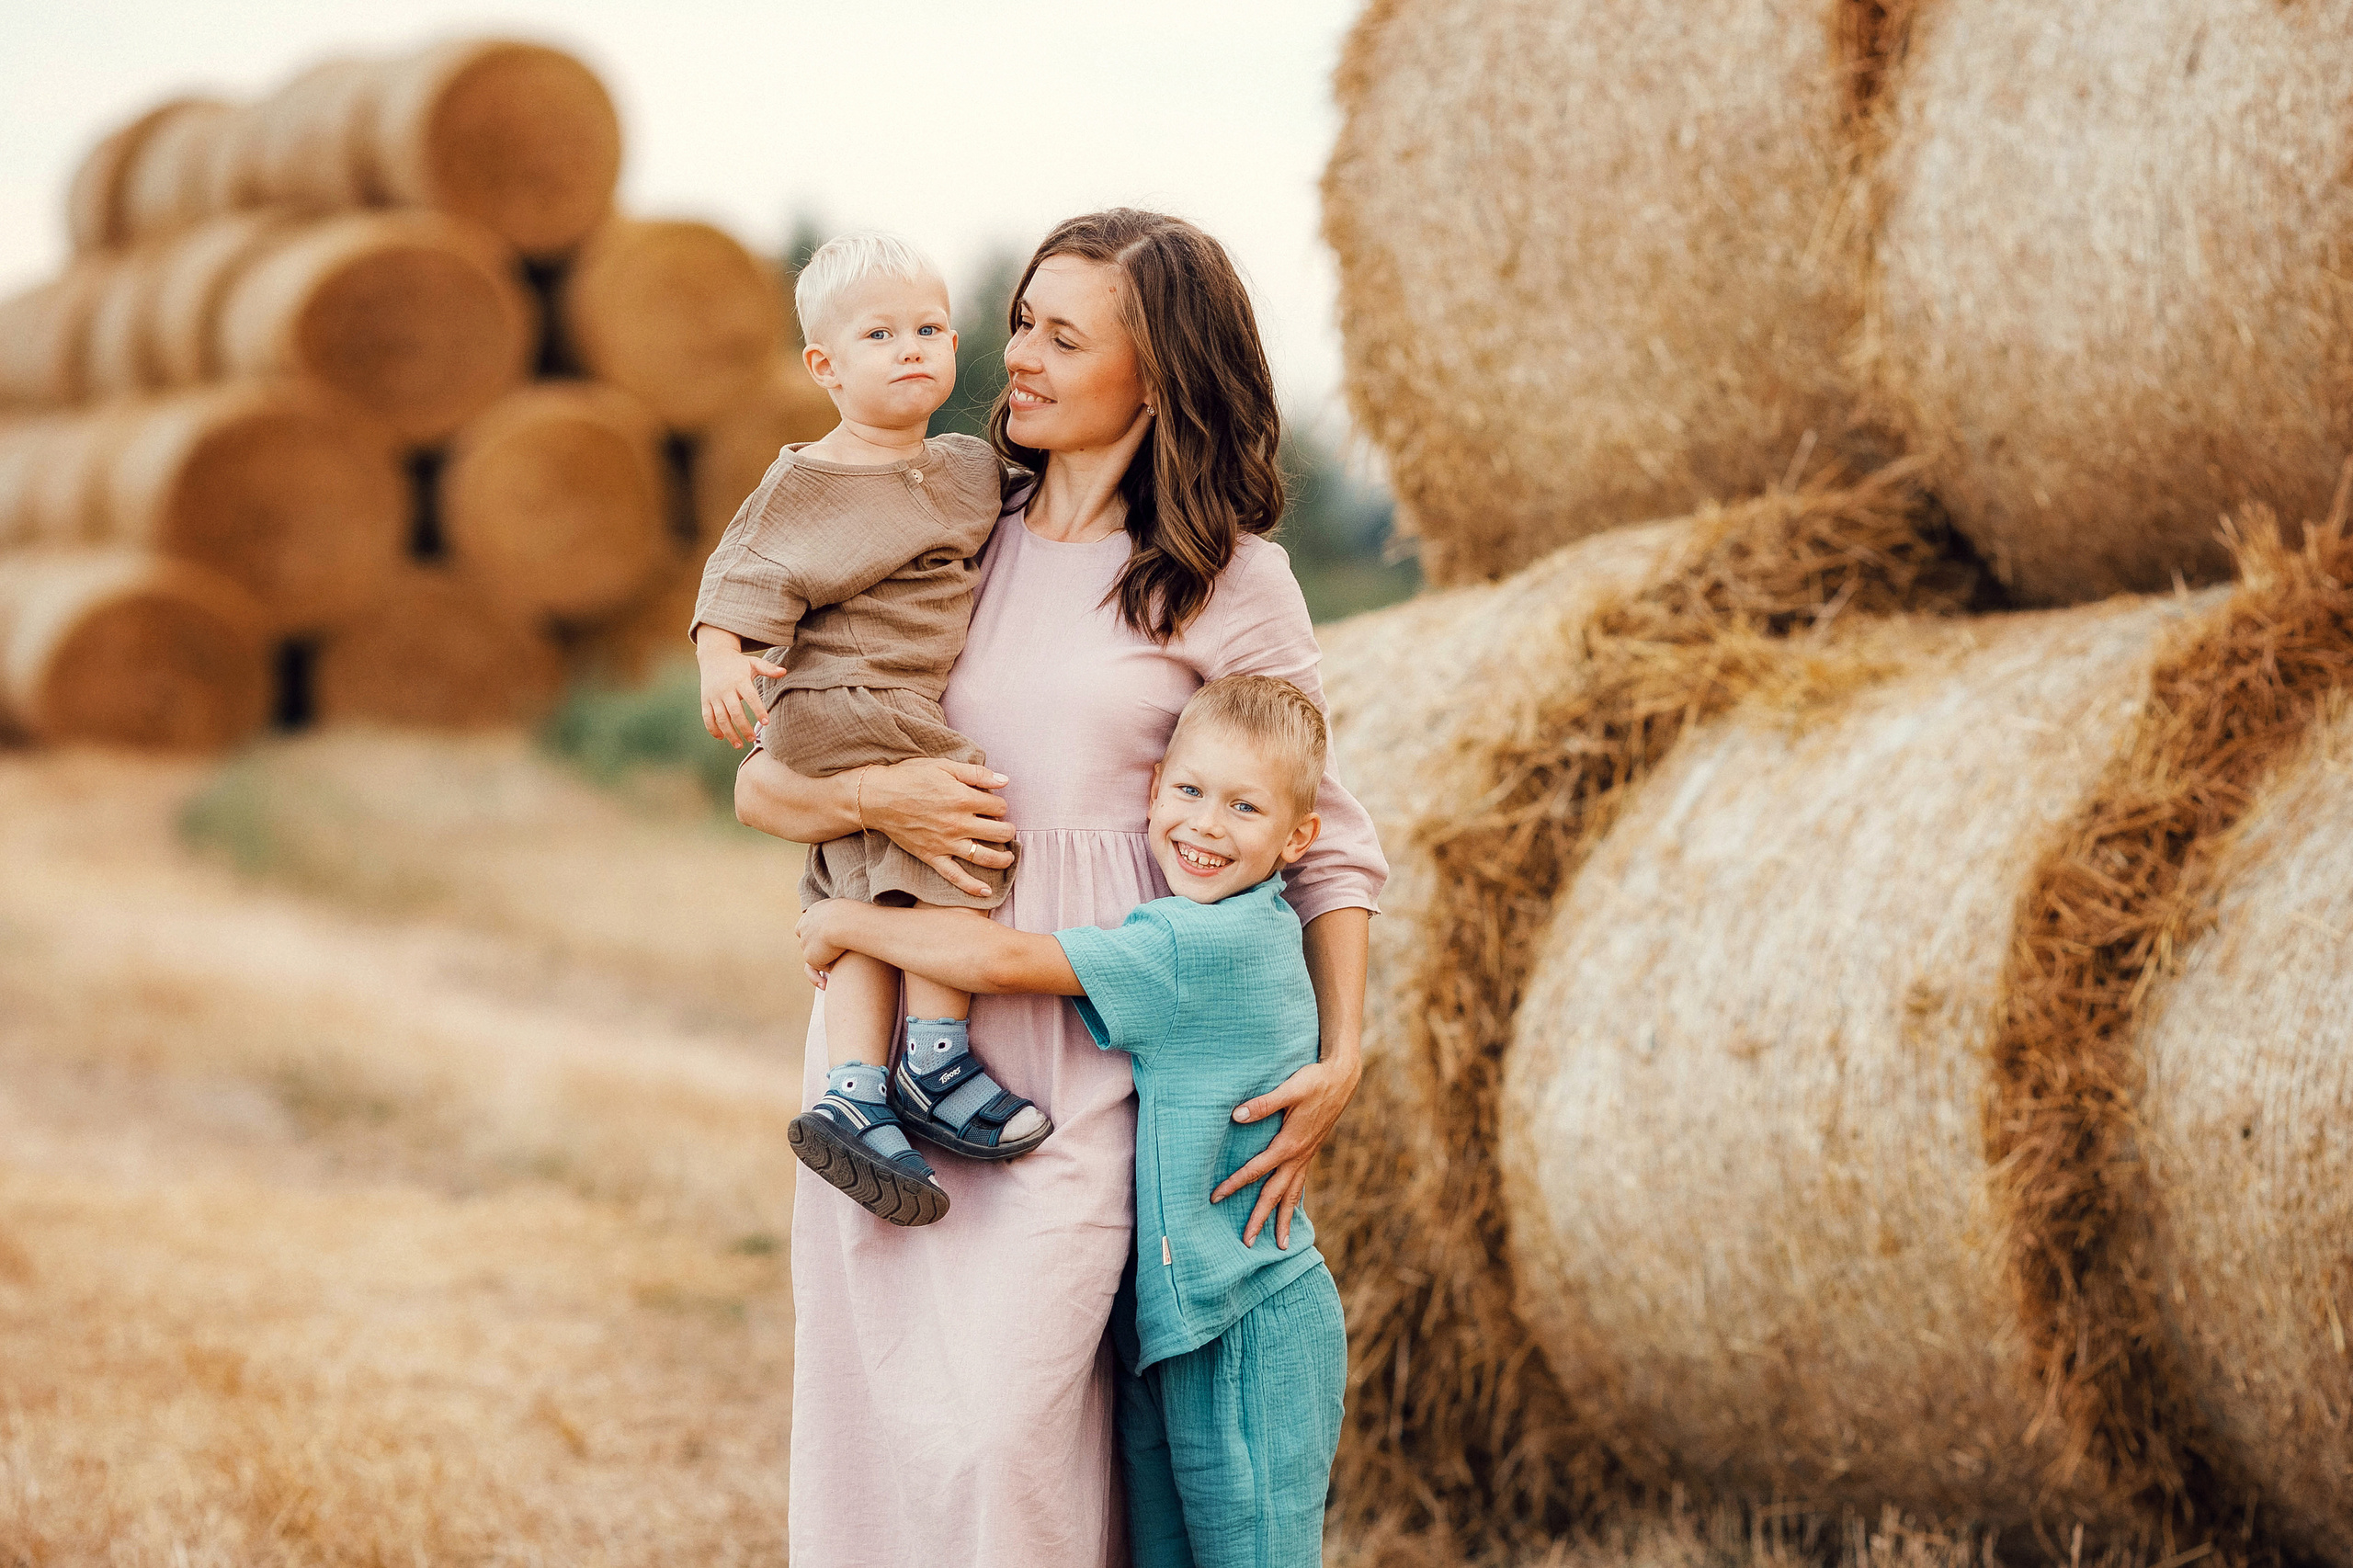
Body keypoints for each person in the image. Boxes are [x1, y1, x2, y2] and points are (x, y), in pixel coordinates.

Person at [733, 208, 1388, 1566]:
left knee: (1009, 1435)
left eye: (1060, 335)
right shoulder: (950, 526)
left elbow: (1323, 834)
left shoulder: (1231, 582)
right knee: (881, 1422)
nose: (1014, 355)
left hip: (1089, 1053)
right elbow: (766, 782)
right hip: (900, 1046)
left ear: (1157, 376)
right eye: (1022, 319)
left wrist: (1343, 1052)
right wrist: (881, 798)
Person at [796, 674, 1347, 1568]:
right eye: (1189, 791)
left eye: (1244, 806)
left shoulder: (1211, 942)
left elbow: (1002, 958)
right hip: (1169, 1321)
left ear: (1298, 837)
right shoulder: (1183, 920)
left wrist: (842, 919)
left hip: (1243, 1323)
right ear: (1154, 787)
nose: (1206, 825)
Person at [691, 232, 1049, 1228]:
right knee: (959, 826)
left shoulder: (968, 467)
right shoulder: (807, 482)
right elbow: (740, 576)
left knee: (863, 882)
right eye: (880, 333)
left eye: (929, 329)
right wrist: (723, 660)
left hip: (878, 713)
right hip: (845, 700)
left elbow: (1036, 507)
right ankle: (934, 1056)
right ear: (824, 366)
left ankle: (853, 1088)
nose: (911, 349)